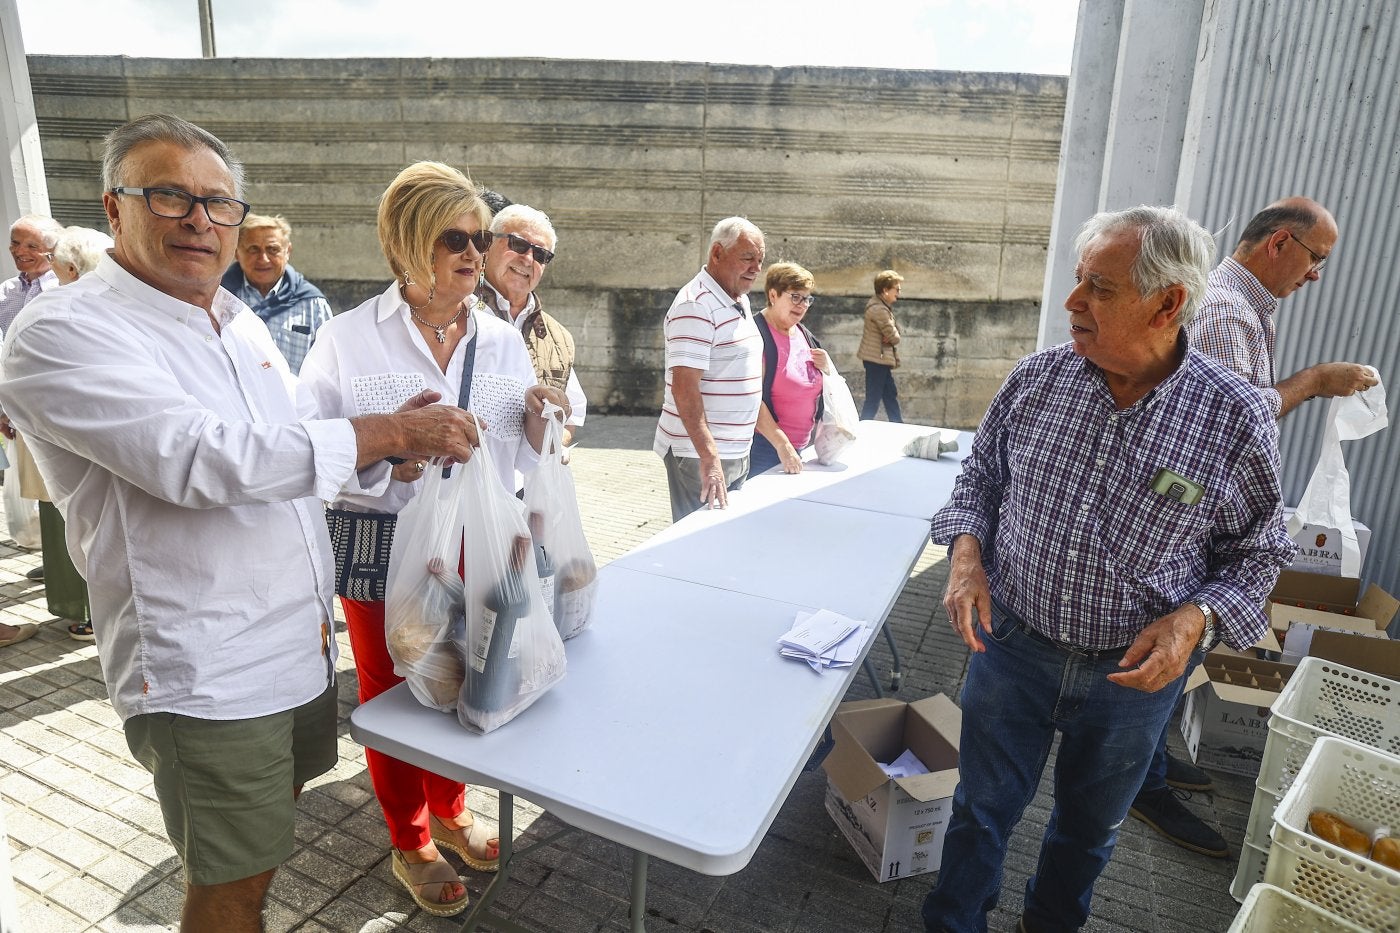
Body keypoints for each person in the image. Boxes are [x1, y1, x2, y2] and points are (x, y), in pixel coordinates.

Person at [0, 114, 480, 933]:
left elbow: (283, 450)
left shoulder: (239, 320)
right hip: (207, 669)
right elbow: (196, 459)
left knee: (262, 846)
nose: (199, 219)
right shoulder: (64, 331)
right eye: (169, 195)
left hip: (293, 649)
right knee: (233, 888)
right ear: (115, 209)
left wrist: (378, 454)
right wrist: (388, 433)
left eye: (219, 203)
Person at [920, 206, 1296, 933]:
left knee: (1088, 832)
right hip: (1011, 648)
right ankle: (953, 921)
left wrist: (1195, 619)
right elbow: (979, 479)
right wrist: (966, 554)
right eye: (1077, 281)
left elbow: (1259, 551)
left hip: (1130, 681)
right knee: (979, 810)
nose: (1072, 303)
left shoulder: (1233, 418)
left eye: (1099, 287)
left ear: (1169, 303)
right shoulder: (1038, 379)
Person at [299, 161, 569, 918]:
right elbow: (307, 450)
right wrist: (392, 451)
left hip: (474, 546)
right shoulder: (349, 338)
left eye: (480, 236)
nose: (474, 251)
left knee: (467, 680)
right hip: (385, 547)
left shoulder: (501, 339)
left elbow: (516, 458)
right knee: (392, 696)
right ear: (407, 241)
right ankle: (409, 833)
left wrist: (545, 423)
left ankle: (450, 809)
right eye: (456, 235)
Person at [1127, 196, 1381, 856]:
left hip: (1205, 512)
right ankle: (1139, 783)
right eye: (1316, 257)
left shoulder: (1244, 308)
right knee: (1174, 643)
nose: (1317, 273)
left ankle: (1151, 762)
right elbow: (1228, 419)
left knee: (1184, 652)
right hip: (1190, 516)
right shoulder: (1223, 310)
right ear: (1278, 243)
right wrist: (1317, 381)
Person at [12, 227, 112, 633]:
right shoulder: (68, 309)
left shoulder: (69, 311)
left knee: (79, 521)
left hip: (80, 447)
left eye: (50, 256)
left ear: (71, 268)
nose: (46, 264)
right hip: (68, 442)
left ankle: (88, 610)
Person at [653, 217, 765, 521]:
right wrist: (710, 457)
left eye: (760, 259)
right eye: (747, 258)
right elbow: (684, 388)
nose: (756, 268)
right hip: (699, 457)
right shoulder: (696, 305)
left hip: (734, 451)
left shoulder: (737, 297)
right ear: (717, 254)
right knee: (699, 550)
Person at [476, 203, 587, 446]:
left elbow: (573, 415)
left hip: (527, 480)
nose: (527, 259)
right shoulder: (456, 311)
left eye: (540, 255)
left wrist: (554, 450)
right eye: (518, 244)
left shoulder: (558, 337)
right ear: (487, 246)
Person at [0, 215, 63, 561]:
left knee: (62, 489)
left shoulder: (64, 288)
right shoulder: (7, 293)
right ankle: (54, 565)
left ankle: (69, 571)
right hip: (20, 410)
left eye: (31, 246)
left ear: (52, 251)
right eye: (15, 242)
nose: (20, 252)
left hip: (55, 407)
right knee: (39, 490)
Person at [220, 213, 333, 374]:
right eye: (253, 250)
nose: (263, 259)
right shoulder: (218, 299)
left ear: (288, 251)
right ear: (237, 252)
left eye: (273, 249)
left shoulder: (313, 305)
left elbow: (327, 369)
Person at [748, 261, 830, 476]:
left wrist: (827, 368)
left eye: (807, 299)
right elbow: (750, 398)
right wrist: (782, 445)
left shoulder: (805, 335)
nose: (802, 305)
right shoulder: (754, 335)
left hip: (799, 450)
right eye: (795, 297)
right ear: (773, 295)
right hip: (764, 449)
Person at [857, 269, 904, 422]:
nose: (899, 293)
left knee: (890, 395)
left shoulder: (881, 307)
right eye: (896, 289)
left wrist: (890, 336)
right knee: (873, 400)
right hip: (877, 360)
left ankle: (898, 426)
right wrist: (891, 336)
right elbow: (895, 337)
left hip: (879, 359)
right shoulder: (879, 310)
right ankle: (861, 430)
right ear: (885, 290)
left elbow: (892, 334)